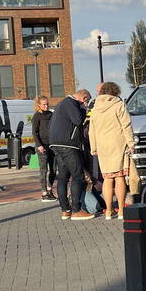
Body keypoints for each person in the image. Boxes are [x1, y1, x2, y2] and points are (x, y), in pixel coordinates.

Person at [89, 81, 135, 220]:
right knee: (119, 177)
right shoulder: (118, 105)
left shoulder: (95, 108)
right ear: (115, 92)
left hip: (103, 146)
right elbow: (126, 125)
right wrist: (131, 143)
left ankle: (108, 211)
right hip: (118, 144)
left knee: (107, 178)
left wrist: (94, 147)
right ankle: (121, 210)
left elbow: (92, 130)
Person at [49, 88, 94, 220]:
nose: (85, 104)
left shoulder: (61, 104)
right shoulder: (71, 103)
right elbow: (78, 120)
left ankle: (65, 210)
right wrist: (84, 110)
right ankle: (76, 210)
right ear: (84, 98)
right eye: (86, 101)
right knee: (78, 175)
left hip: (56, 144)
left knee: (63, 177)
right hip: (68, 144)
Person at [32, 96, 56, 202]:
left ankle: (50, 190)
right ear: (39, 105)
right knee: (43, 170)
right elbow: (34, 132)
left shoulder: (51, 114)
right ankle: (44, 193)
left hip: (52, 145)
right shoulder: (37, 116)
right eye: (44, 104)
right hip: (42, 146)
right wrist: (39, 145)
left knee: (54, 170)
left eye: (47, 104)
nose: (46, 106)